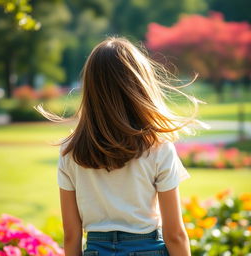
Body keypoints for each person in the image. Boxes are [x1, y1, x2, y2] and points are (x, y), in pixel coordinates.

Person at [36, 36, 209, 256]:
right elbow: (174, 234)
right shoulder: (158, 147)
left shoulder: (70, 151)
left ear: (90, 88)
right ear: (139, 85)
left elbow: (71, 235)